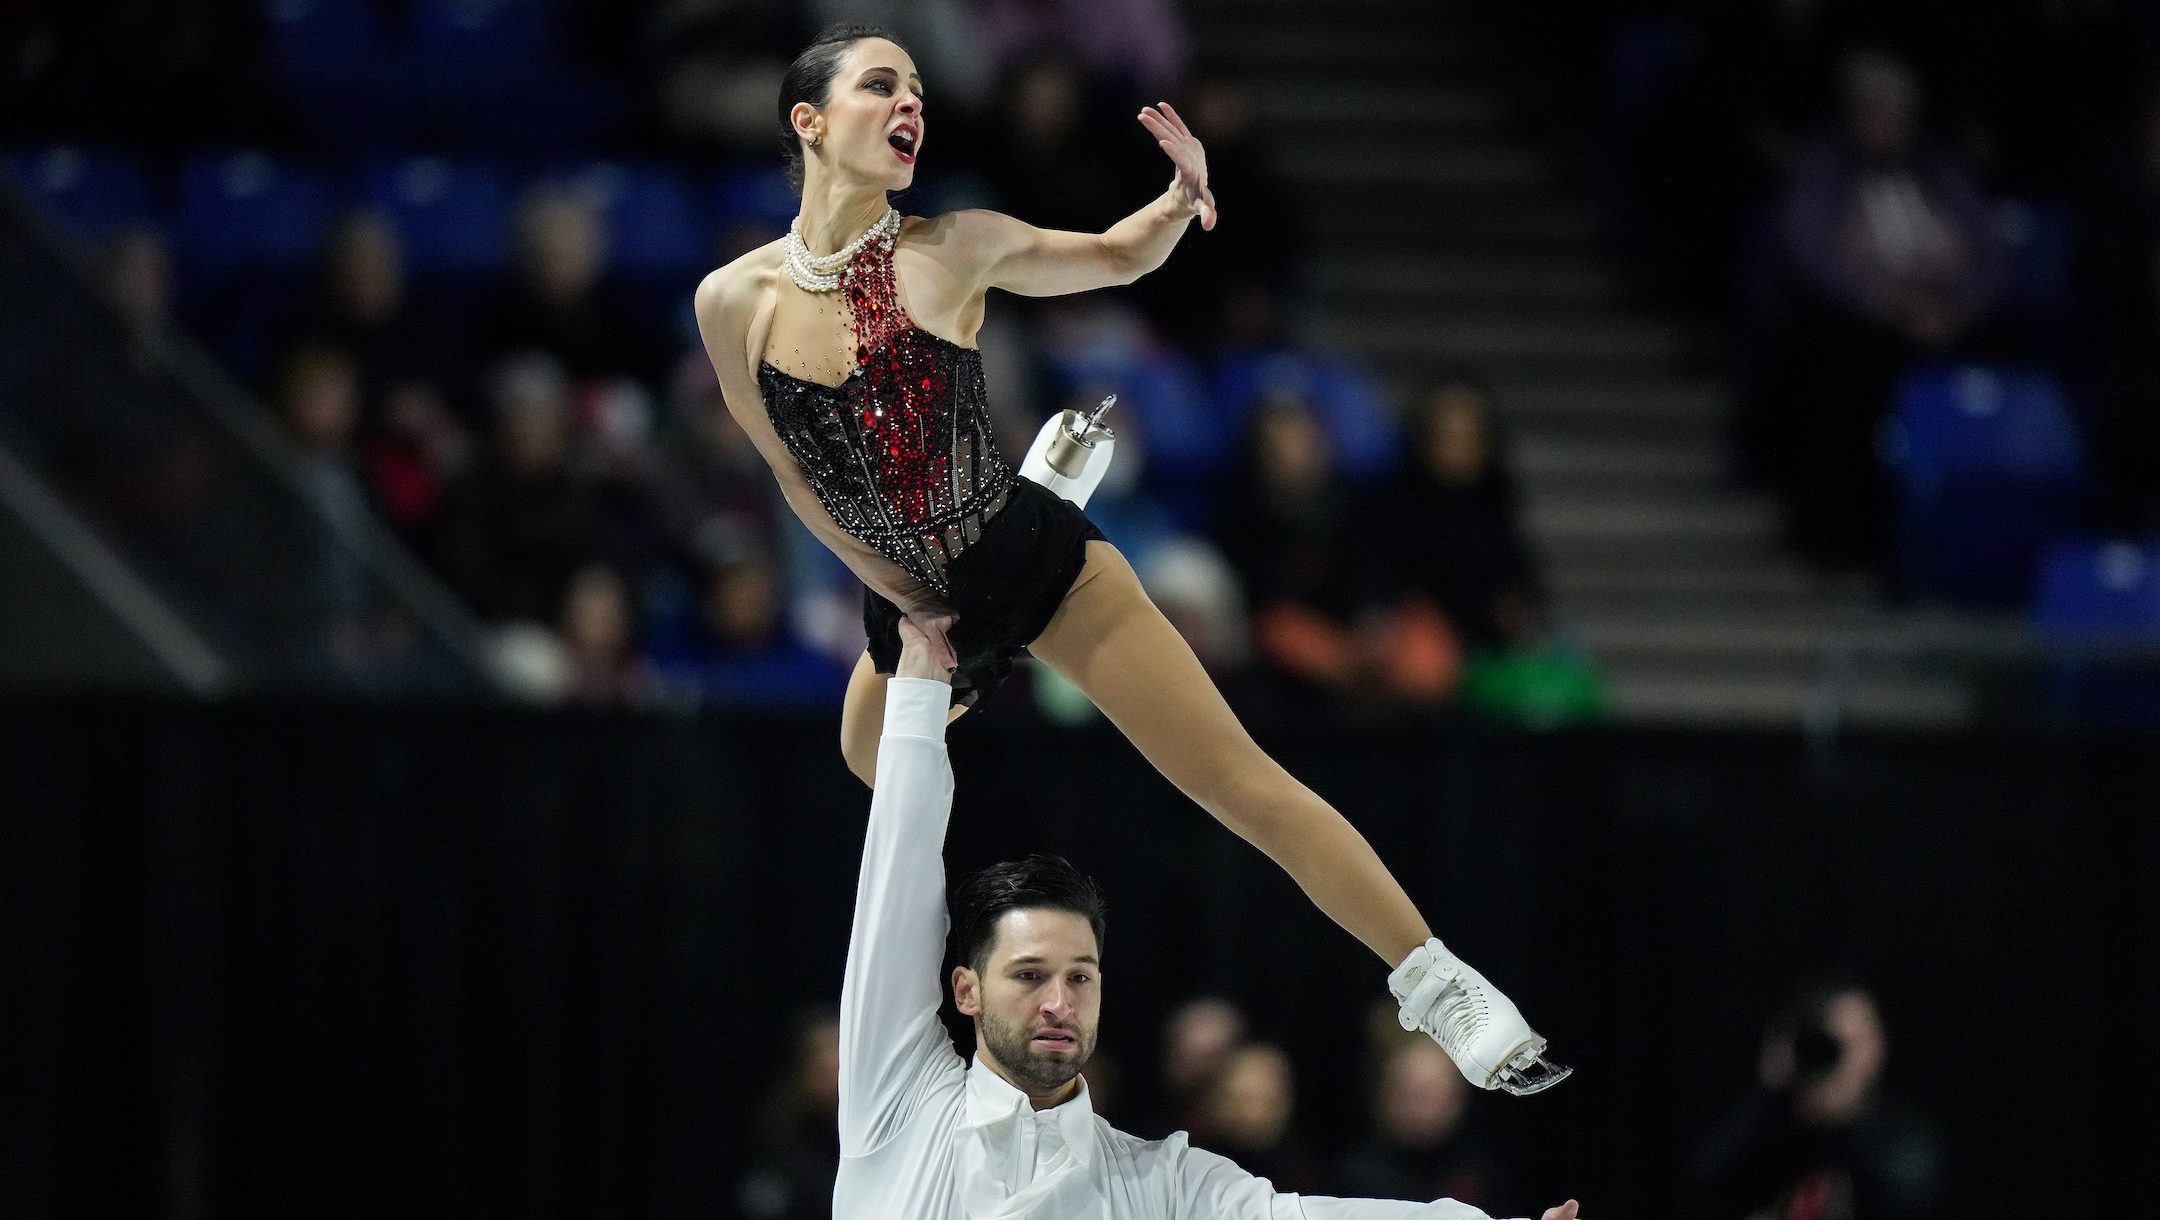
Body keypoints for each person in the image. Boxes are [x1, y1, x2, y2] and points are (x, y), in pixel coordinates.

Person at [692, 21, 1565, 1095]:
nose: (912, 102)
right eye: (883, 85)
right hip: (918, 595)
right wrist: (900, 600)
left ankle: (1440, 982)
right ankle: (1026, 523)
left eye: (920, 87)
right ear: (811, 121)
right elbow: (790, 471)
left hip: (1033, 563)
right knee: (871, 758)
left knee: (1234, 780)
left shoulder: (952, 246)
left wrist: (1172, 205)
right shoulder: (732, 302)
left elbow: (1111, 255)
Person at [831, 616, 1590, 1219]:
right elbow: (896, 870)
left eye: (1080, 976)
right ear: (964, 990)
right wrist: (923, 684)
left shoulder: (1158, 1185)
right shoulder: (899, 1103)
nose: (1060, 1002)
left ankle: (1434, 977)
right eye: (1029, 975)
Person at [1684, 981, 1944, 1220]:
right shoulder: (1783, 1129)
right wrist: (1770, 1093)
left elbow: (1905, 1197)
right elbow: (1705, 1179)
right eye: (1831, 1041)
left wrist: (1843, 1120)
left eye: (1856, 1040)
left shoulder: (1902, 1138)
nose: (1842, 1056)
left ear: (1881, 1047)